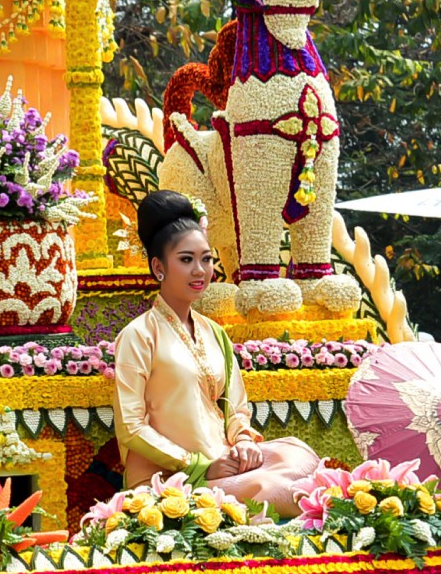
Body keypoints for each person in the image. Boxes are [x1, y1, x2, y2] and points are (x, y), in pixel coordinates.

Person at [113, 190, 322, 507]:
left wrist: (243, 441)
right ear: (159, 267)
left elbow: (235, 408)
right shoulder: (138, 336)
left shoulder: (214, 333)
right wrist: (197, 465)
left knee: (297, 454)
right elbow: (130, 428)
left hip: (223, 461)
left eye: (206, 259)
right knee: (276, 489)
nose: (200, 270)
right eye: (186, 259)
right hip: (171, 477)